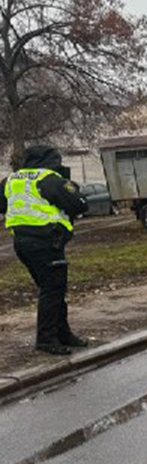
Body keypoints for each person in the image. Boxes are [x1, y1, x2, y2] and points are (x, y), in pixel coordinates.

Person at [2, 145, 90, 355]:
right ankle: (47, 338)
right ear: (52, 161)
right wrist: (69, 185)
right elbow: (79, 204)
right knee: (53, 290)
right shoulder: (48, 179)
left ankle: (63, 333)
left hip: (22, 242)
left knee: (52, 288)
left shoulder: (12, 180)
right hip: (47, 242)